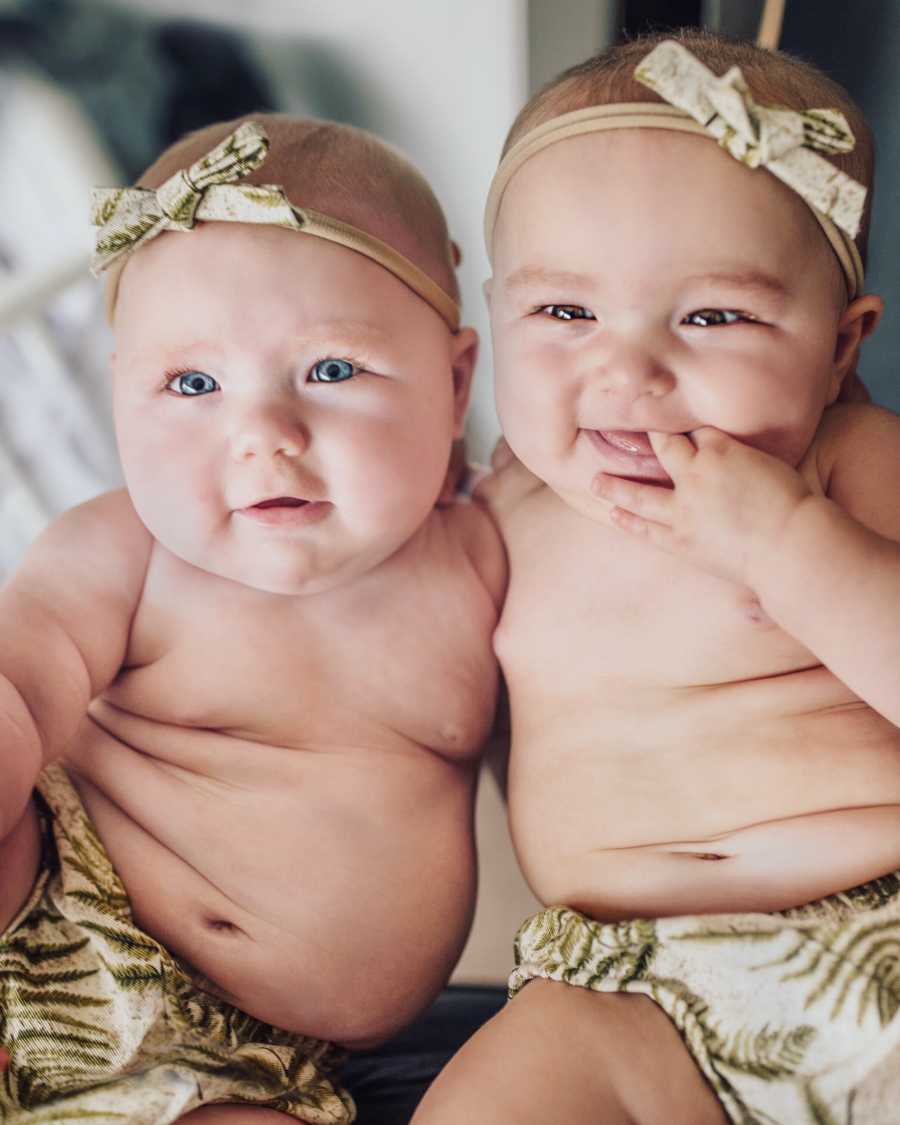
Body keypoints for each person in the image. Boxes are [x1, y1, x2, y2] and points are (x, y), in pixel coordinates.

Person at [412, 29, 900, 1125]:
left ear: (839, 346)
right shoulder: (490, 525)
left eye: (712, 316)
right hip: (627, 985)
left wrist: (787, 545)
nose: (627, 371)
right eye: (566, 313)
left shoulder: (846, 467)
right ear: (489, 331)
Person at [0, 113, 506, 1123]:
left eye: (330, 370)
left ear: (454, 385)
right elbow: (25, 675)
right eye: (193, 384)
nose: (264, 436)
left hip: (256, 1063)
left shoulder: (488, 563)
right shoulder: (125, 551)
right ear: (120, 401)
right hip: (48, 918)